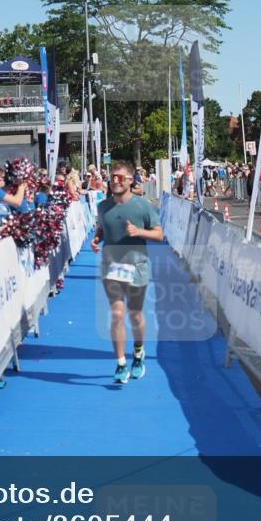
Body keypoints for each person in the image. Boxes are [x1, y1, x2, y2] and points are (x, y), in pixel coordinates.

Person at [91, 161, 164, 384]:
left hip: (137, 266)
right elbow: (103, 228)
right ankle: (121, 363)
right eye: (112, 176)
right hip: (111, 266)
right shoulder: (103, 206)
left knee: (135, 315)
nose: (115, 180)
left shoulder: (142, 206)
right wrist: (97, 238)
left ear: (131, 180)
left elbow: (159, 235)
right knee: (117, 314)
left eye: (120, 177)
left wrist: (138, 231)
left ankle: (139, 354)